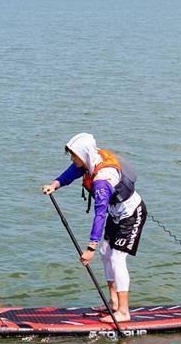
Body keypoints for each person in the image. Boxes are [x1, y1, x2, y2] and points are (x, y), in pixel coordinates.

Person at [41, 133, 145, 323]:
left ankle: (124, 312)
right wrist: (55, 184)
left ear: (84, 154)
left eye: (74, 155)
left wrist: (90, 248)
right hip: (116, 214)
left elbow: (100, 214)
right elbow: (73, 171)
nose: (72, 159)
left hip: (131, 215)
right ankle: (113, 303)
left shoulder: (102, 181)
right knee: (106, 253)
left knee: (117, 258)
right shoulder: (91, 159)